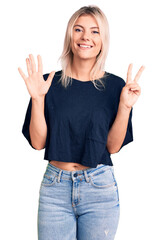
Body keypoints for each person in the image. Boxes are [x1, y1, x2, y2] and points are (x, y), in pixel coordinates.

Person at [18, 5, 145, 240]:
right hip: (55, 190)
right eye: (79, 29)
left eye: (95, 31)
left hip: (99, 189)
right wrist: (37, 99)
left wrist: (125, 107)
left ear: (102, 40)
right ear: (70, 36)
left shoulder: (117, 87)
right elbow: (38, 143)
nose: (86, 37)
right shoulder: (47, 83)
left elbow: (112, 147)